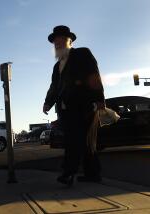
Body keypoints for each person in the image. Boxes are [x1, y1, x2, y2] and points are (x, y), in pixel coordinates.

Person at [43, 25, 105, 186]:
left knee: (73, 140)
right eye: (55, 41)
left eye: (60, 39)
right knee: (85, 142)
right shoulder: (57, 66)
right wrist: (47, 102)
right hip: (66, 109)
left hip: (83, 106)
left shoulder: (81, 54)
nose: (57, 43)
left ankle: (68, 172)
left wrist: (99, 99)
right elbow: (54, 87)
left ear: (69, 40)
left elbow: (94, 75)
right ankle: (93, 174)